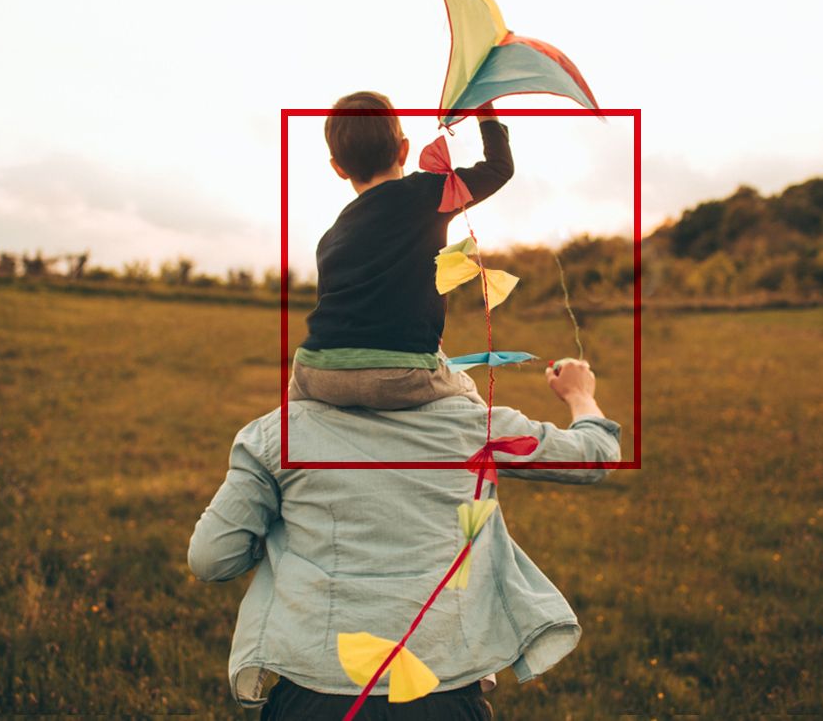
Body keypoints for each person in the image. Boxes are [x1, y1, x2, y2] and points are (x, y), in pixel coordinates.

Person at [188, 360, 620, 716]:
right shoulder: (477, 427)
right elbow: (596, 456)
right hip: (441, 697)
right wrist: (579, 394)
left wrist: (289, 535)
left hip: (313, 699)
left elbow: (212, 558)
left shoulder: (276, 434)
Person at [290, 90, 513, 411]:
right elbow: (498, 169)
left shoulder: (330, 236)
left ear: (338, 167)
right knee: (467, 396)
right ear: (403, 150)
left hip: (314, 371)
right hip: (399, 373)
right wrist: (485, 112)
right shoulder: (429, 192)